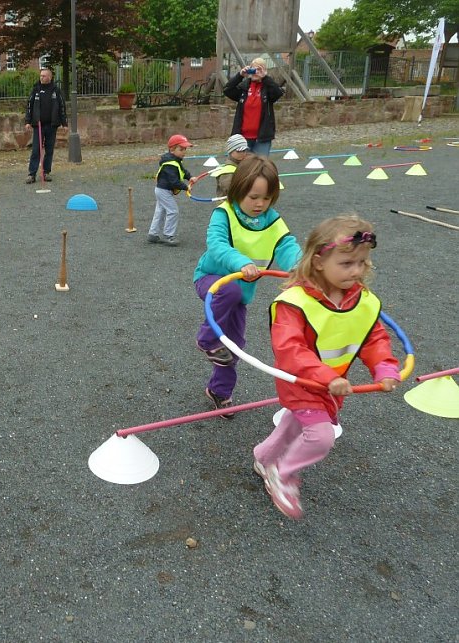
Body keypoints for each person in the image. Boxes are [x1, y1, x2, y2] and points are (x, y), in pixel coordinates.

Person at [253, 215, 400, 519]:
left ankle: (264, 457)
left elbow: (374, 337)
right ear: (319, 261)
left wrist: (385, 368)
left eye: (362, 263)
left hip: (333, 384)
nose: (357, 270)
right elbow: (289, 350)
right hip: (301, 382)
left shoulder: (363, 301)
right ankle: (282, 474)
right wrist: (326, 376)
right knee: (321, 435)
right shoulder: (293, 303)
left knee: (296, 422)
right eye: (347, 264)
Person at [193, 155, 301, 417]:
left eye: (267, 198)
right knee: (228, 290)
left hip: (240, 294)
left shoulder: (273, 221)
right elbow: (217, 245)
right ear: (239, 189)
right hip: (211, 280)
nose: (260, 204)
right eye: (254, 197)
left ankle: (220, 391)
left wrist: (301, 269)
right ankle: (206, 339)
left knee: (234, 345)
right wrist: (241, 263)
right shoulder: (224, 214)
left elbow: (287, 246)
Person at [223, 58, 284, 156]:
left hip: (262, 138)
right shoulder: (244, 87)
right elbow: (227, 90)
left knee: (259, 167)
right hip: (242, 138)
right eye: (253, 69)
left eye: (259, 69)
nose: (256, 72)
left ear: (264, 71)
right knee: (242, 167)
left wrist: (265, 77)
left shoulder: (268, 88)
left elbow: (278, 93)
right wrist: (240, 75)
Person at [148, 133, 195, 247]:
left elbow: (182, 171)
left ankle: (153, 234)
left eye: (185, 149)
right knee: (173, 211)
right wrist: (186, 187)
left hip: (163, 190)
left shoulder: (176, 160)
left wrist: (190, 177)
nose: (184, 151)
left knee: (160, 211)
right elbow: (174, 181)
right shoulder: (170, 164)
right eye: (181, 149)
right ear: (172, 149)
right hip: (163, 191)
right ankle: (169, 235)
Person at [24, 68, 68, 184]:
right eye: (41, 75)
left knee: (49, 150)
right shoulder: (36, 90)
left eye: (44, 76)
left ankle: (46, 172)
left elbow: (62, 107)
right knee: (36, 150)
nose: (41, 77)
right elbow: (29, 106)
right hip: (38, 125)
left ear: (50, 77)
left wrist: (64, 123)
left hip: (52, 125)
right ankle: (31, 174)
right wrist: (27, 121)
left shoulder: (56, 91)